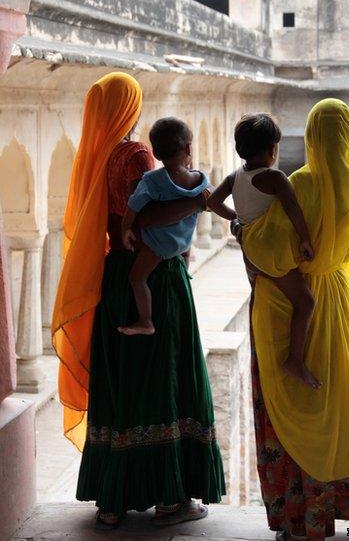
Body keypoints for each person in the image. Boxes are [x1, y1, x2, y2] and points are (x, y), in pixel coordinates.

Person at [52, 72, 225, 529]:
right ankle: (170, 498)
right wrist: (200, 201)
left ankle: (113, 501)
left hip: (118, 280)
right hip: (156, 276)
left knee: (122, 384)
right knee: (165, 378)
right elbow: (149, 216)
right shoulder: (133, 154)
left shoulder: (93, 157)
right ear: (129, 107)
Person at [234, 99, 349, 540]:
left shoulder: (303, 183)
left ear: (310, 136)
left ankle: (302, 515)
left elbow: (271, 249)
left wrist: (241, 231)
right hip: (338, 298)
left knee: (288, 403)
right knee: (344, 400)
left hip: (287, 303)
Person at [208, 113, 321, 389]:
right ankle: (294, 360)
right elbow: (293, 209)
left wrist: (235, 219)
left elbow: (212, 201)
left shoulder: (235, 177)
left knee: (264, 295)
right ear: (272, 149)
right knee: (305, 302)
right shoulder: (275, 178)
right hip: (270, 252)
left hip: (249, 250)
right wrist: (306, 239)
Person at [118, 117, 208, 336]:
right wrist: (234, 216)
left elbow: (135, 206)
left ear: (155, 154)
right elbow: (212, 201)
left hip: (158, 246)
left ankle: (146, 321)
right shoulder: (198, 178)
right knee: (181, 267)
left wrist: (125, 228)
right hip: (183, 245)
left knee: (136, 278)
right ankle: (185, 273)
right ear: (188, 148)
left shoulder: (152, 180)